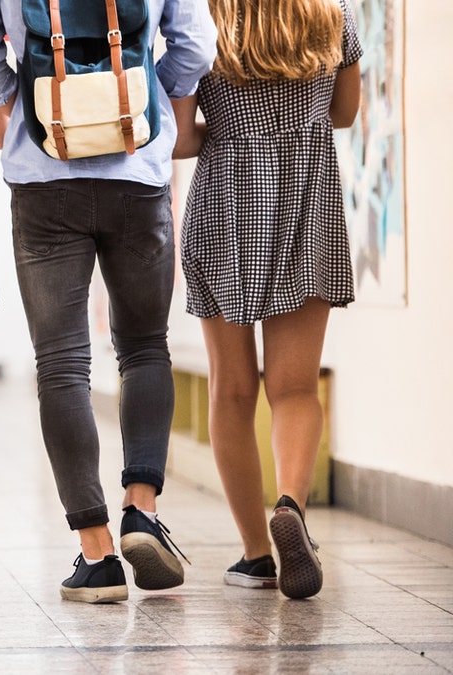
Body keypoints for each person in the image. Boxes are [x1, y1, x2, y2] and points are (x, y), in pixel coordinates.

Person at [0, 0, 215, 603]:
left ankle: (96, 554)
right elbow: (196, 45)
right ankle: (141, 510)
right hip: (138, 168)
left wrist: (28, 102)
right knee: (146, 346)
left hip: (44, 176)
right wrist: (143, 88)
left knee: (62, 365)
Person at [173, 0, 362, 600]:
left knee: (232, 389)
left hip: (223, 212)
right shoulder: (333, 19)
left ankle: (258, 554)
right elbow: (346, 112)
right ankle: (291, 507)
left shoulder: (201, 24)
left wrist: (229, 132)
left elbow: (178, 137)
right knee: (296, 388)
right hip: (309, 206)